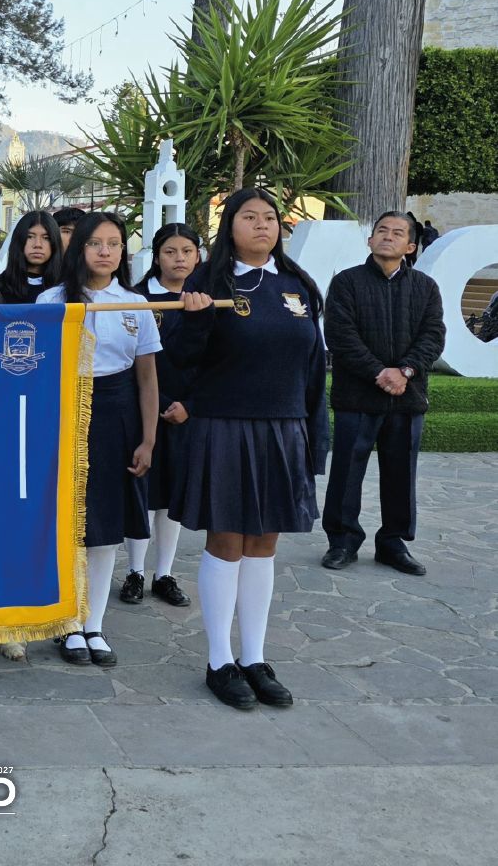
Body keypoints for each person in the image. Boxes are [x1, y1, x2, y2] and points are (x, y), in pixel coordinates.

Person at [172, 188, 328, 711]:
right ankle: (220, 661)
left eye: (270, 217)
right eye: (250, 217)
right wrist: (195, 321)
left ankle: (254, 658)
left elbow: (313, 371)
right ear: (230, 226)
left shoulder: (297, 285)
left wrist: (314, 439)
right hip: (225, 426)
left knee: (264, 543)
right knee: (227, 541)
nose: (262, 225)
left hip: (284, 428)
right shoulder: (208, 283)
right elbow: (181, 361)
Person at [37, 213, 159, 669]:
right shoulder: (51, 300)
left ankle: (94, 624)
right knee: (68, 520)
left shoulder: (135, 303)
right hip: (65, 411)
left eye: (114, 243)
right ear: (79, 249)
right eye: (95, 243)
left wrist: (148, 439)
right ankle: (68, 622)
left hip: (118, 415)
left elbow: (147, 379)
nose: (105, 252)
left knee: (106, 525)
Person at [321, 212, 445, 576]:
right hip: (357, 396)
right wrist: (379, 372)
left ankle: (393, 543)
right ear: (370, 240)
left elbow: (433, 335)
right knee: (346, 472)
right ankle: (342, 541)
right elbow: (340, 335)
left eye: (397, 233)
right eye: (381, 231)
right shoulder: (346, 283)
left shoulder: (425, 287)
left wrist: (404, 371)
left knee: (401, 474)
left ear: (410, 246)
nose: (388, 237)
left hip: (407, 396)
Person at [124, 222, 201, 607]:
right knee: (142, 491)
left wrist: (189, 404)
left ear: (198, 256)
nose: (179, 259)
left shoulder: (204, 300)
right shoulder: (135, 299)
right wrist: (159, 402)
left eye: (187, 251)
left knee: (172, 498)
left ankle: (163, 574)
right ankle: (135, 571)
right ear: (156, 256)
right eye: (170, 252)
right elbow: (131, 360)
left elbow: (214, 361)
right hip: (142, 409)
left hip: (186, 413)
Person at [0, 210, 63, 303]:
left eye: (46, 238)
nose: (37, 244)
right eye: (30, 237)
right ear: (19, 240)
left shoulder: (66, 289)